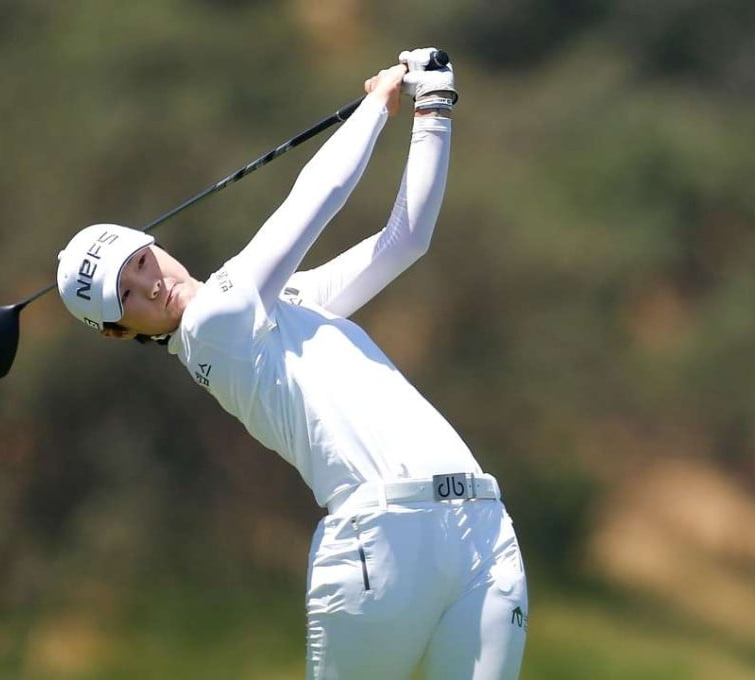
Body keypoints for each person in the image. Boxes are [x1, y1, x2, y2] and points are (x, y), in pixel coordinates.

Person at [54, 49, 527, 679]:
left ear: (153, 245)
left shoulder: (284, 303)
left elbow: (404, 242)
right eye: (127, 298)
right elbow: (317, 198)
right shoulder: (214, 328)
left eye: (140, 264)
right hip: (378, 541)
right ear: (119, 332)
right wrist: (375, 108)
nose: (150, 287)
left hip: (481, 526)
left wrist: (434, 108)